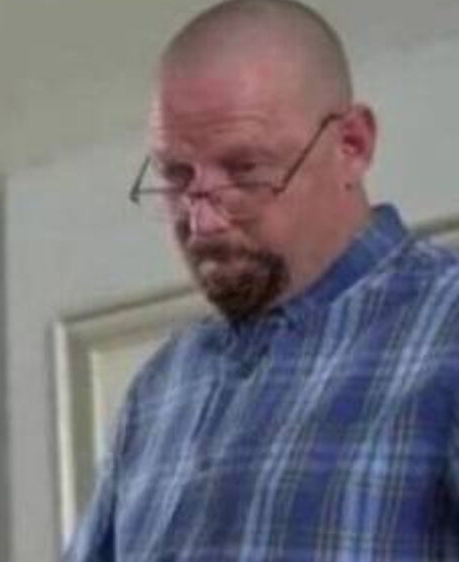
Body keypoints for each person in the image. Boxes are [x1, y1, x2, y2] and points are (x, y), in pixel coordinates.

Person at [68, 1, 459, 560]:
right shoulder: (163, 387)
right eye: (176, 176)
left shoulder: (446, 329)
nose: (202, 222)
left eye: (245, 170)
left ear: (352, 145)